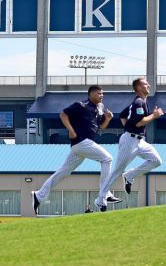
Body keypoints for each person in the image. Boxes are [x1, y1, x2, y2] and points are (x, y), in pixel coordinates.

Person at [31, 85, 122, 214]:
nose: (102, 95)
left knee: (63, 172)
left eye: (103, 94)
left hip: (80, 147)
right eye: (99, 93)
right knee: (107, 159)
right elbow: (63, 114)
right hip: (81, 142)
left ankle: (39, 195)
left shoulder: (100, 108)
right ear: (90, 94)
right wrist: (71, 131)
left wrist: (107, 119)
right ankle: (104, 196)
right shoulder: (81, 105)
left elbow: (101, 127)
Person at [94, 77, 164, 211]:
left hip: (140, 141)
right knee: (117, 170)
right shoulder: (139, 101)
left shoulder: (141, 101)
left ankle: (130, 176)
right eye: (145, 84)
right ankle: (100, 198)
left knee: (156, 161)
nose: (148, 85)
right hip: (129, 141)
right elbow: (139, 122)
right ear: (138, 87)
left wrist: (129, 127)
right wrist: (154, 116)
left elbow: (122, 115)